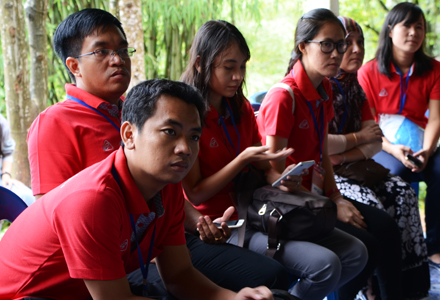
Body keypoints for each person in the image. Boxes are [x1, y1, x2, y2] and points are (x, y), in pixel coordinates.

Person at [26, 8, 289, 295]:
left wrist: (200, 224)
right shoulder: (55, 123)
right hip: (88, 266)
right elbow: (54, 213)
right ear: (74, 65)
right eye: (102, 51)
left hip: (145, 241)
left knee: (270, 281)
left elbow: (167, 197)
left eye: (123, 50)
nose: (118, 60)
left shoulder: (144, 111)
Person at [0, 78, 276, 300]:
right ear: (129, 135)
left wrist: (234, 298)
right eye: (170, 131)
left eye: (194, 136)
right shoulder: (93, 200)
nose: (185, 148)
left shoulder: (166, 188)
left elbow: (179, 275)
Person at [181, 19, 367, 300]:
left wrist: (281, 180)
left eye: (242, 67)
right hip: (224, 222)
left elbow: (263, 167)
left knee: (356, 252)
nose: (237, 77)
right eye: (228, 68)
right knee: (324, 265)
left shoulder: (240, 107)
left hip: (261, 208)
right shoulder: (188, 116)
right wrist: (242, 159)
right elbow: (195, 192)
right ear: (200, 65)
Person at [256, 8, 403, 300]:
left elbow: (322, 152)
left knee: (383, 230)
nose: (336, 53)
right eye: (327, 44)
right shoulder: (283, 97)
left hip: (317, 198)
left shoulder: (323, 89)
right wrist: (328, 205)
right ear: (302, 47)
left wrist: (335, 199)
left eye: (341, 44)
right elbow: (271, 172)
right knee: (366, 245)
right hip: (288, 205)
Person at [328, 16, 429, 299]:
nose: (356, 49)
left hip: (354, 167)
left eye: (360, 42)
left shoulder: (355, 88)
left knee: (405, 196)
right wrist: (356, 141)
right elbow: (320, 146)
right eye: (347, 43)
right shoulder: (321, 89)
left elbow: (375, 140)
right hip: (329, 176)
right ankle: (372, 289)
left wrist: (344, 152)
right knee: (376, 214)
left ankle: (408, 288)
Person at [358, 1, 440, 284]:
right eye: (407, 25)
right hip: (384, 145)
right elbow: (368, 125)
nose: (414, 33)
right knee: (397, 174)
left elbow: (436, 120)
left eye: (420, 27)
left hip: (422, 142)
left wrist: (427, 151)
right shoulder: (368, 72)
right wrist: (393, 149)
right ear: (391, 31)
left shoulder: (434, 70)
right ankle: (399, 253)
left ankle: (434, 248)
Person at [0, 113, 34, 206]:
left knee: (28, 197)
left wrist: (5, 175)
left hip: (1, 180)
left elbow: (7, 152)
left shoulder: (1, 122)